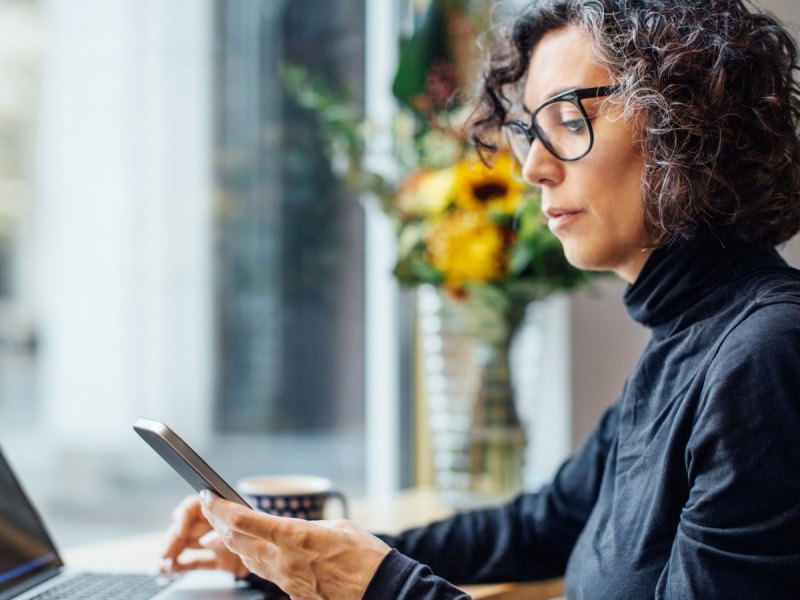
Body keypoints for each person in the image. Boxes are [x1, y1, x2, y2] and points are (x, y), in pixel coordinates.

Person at [160, 0, 800, 597]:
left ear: (687, 123)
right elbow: (540, 528)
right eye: (530, 131)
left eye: (570, 121)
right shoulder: (687, 341)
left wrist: (380, 586)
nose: (532, 169)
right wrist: (293, 554)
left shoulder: (763, 356)